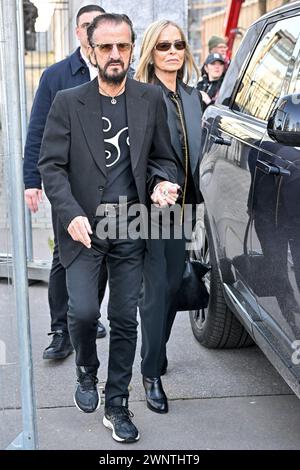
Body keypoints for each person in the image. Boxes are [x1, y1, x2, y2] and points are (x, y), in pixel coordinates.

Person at [38, 13, 179, 443]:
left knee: (123, 319)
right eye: (106, 47)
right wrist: (70, 213)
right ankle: (85, 368)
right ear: (92, 50)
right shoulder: (67, 100)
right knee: (82, 313)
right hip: (82, 228)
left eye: (122, 46)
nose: (115, 55)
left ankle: (117, 404)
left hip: (131, 226)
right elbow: (51, 166)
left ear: (132, 47)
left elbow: (163, 157)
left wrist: (160, 185)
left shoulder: (150, 99)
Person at [23, 4, 107, 362]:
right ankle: (61, 330)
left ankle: (86, 314)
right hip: (68, 185)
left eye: (97, 27)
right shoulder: (57, 76)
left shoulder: (117, 71)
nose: (92, 33)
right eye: (86, 26)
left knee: (101, 250)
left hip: (108, 184)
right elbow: (38, 130)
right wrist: (32, 180)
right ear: (77, 33)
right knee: (65, 253)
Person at [135, 19, 203, 414]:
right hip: (154, 207)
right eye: (163, 46)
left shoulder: (194, 97)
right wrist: (155, 186)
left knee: (176, 286)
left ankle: (156, 353)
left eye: (178, 44)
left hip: (187, 208)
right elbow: (136, 158)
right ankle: (151, 373)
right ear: (151, 52)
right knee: (157, 288)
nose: (173, 51)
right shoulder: (141, 96)